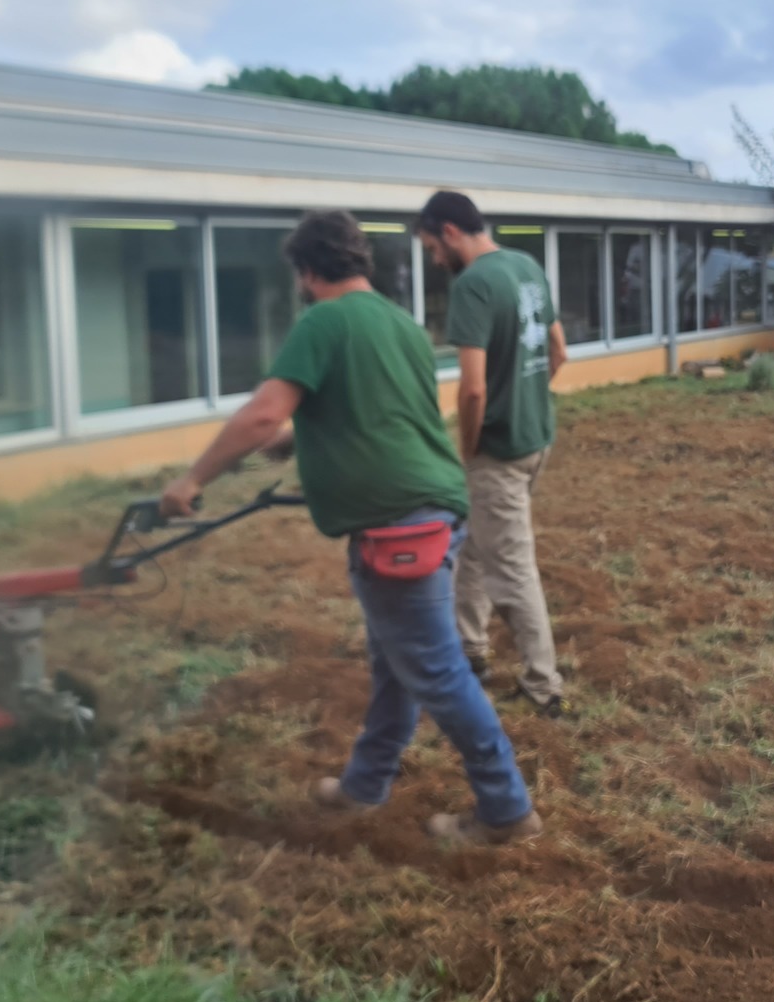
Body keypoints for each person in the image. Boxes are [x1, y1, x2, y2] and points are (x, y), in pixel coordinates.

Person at [159, 210, 541, 848]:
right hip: (435, 508)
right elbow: (381, 412)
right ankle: (366, 784)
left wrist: (190, 480)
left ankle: (506, 809)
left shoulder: (323, 320)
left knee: (437, 670)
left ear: (308, 272)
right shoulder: (400, 323)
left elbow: (261, 414)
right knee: (395, 661)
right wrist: (300, 439)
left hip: (398, 525)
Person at [415, 190, 569, 718]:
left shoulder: (474, 285)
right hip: (537, 439)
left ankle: (543, 684)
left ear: (450, 231)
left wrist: (469, 446)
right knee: (478, 546)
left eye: (433, 248)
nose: (435, 260)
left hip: (498, 451)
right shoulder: (526, 266)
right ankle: (470, 646)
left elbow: (473, 389)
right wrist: (526, 398)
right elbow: (559, 351)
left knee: (512, 567)